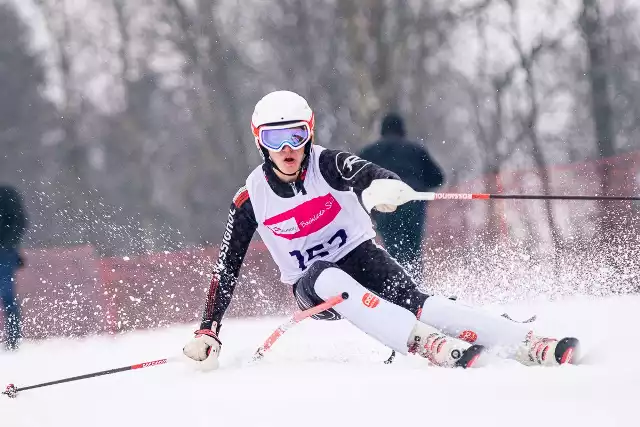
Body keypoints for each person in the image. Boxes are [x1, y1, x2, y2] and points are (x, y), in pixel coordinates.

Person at [182, 91, 579, 370]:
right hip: (312, 288)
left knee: (417, 300)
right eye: (274, 138)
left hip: (359, 258)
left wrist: (383, 185)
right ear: (260, 141)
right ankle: (421, 341)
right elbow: (226, 269)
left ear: (310, 133)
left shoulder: (327, 164)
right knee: (324, 273)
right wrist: (208, 329)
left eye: (296, 135)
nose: (287, 148)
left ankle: (524, 341)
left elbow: (367, 172)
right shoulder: (250, 198)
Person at [358, 113, 444, 274]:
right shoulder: (415, 150)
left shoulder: (369, 152)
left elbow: (354, 181)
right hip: (413, 203)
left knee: (394, 248)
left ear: (382, 131)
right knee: (413, 250)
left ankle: (398, 287)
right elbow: (437, 178)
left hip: (385, 205)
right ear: (403, 129)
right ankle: (416, 287)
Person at [0, 185, 27, 351]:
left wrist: (7, 245)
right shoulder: (8, 194)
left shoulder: (7, 194)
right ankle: (14, 338)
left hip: (5, 253)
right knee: (8, 297)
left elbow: (19, 222)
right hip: (7, 251)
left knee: (7, 296)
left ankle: (14, 339)